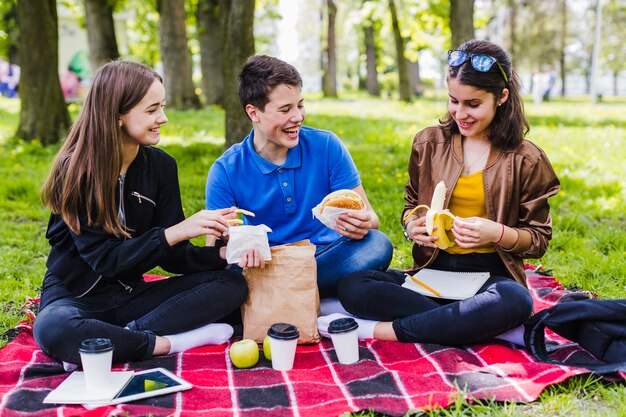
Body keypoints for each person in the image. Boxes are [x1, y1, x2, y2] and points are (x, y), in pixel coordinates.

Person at [319, 40, 560, 346]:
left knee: (515, 300)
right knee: (355, 285)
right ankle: (474, 323)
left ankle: (378, 330)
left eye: (473, 104)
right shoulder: (428, 144)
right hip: (433, 270)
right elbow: (410, 207)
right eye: (453, 101)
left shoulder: (527, 158)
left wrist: (496, 233)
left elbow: (537, 240)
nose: (461, 113)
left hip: (488, 276)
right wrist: (412, 226)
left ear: (502, 97)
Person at [34, 61, 249, 367]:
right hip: (77, 297)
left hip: (132, 296)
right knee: (54, 330)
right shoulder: (76, 171)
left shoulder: (161, 166)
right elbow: (105, 261)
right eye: (151, 110)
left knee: (232, 286)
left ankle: (109, 342)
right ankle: (168, 343)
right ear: (118, 115)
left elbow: (172, 257)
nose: (162, 118)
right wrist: (177, 231)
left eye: (161, 107)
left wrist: (225, 255)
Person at [205, 55, 393, 298]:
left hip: (326, 255)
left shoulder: (326, 145)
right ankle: (309, 296)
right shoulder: (226, 170)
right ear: (253, 112)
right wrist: (236, 245)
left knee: (377, 244)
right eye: (285, 109)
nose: (298, 117)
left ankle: (280, 296)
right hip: (266, 264)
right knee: (225, 281)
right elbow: (214, 250)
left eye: (300, 105)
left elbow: (372, 220)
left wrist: (363, 223)